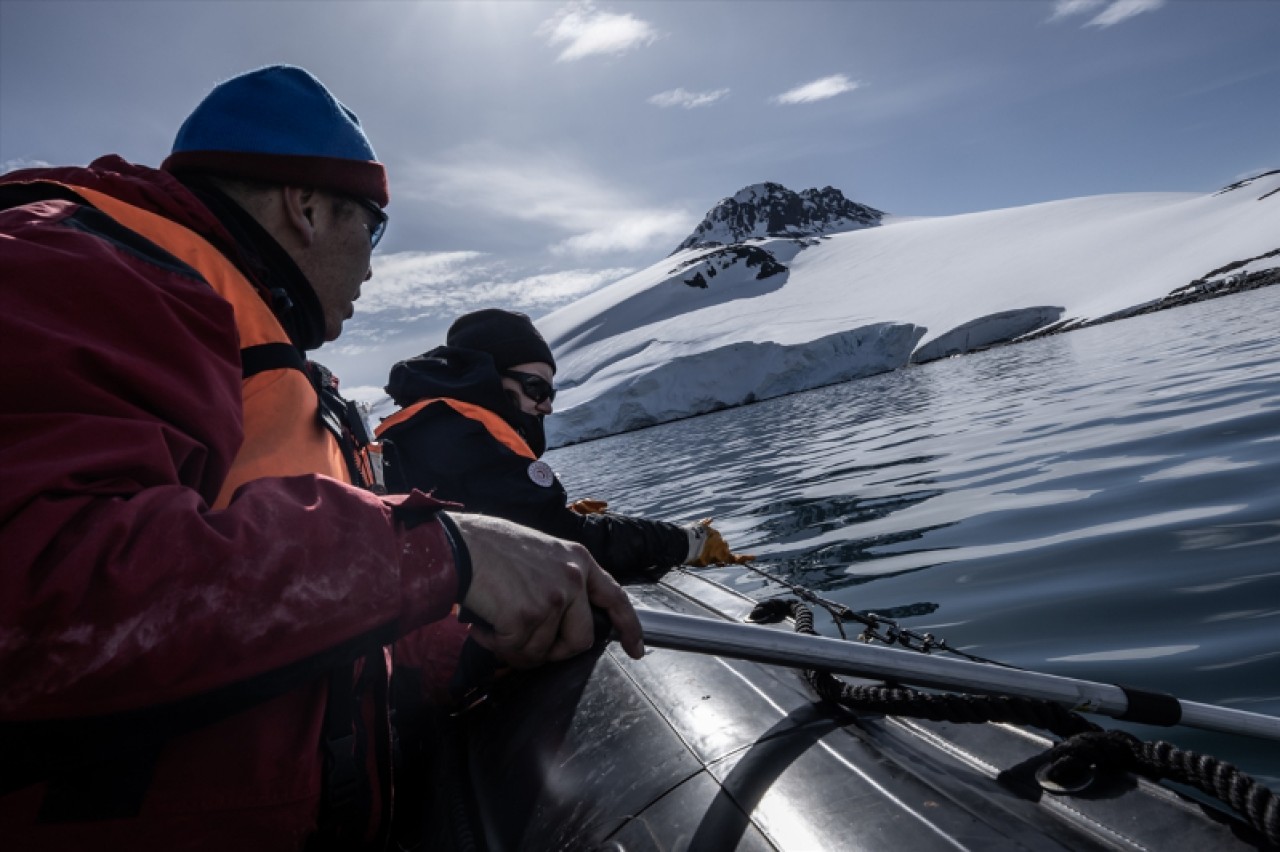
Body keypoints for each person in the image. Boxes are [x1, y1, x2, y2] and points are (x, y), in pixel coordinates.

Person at [0, 65, 641, 851]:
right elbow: (34, 596)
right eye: (370, 228)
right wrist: (444, 554)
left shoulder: (256, 348)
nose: (373, 265)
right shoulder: (65, 268)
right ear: (305, 206)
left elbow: (284, 618)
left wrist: (468, 652)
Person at [376, 308, 754, 581]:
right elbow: (565, 543)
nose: (547, 405)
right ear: (488, 378)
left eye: (550, 391)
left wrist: (537, 507)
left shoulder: (437, 429)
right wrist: (685, 541)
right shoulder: (460, 436)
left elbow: (507, 521)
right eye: (536, 387)